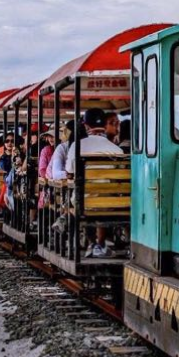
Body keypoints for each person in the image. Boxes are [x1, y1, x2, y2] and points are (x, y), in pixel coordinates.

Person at [67, 108, 123, 257]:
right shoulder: (117, 150)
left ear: (86, 126)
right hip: (110, 202)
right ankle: (99, 243)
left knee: (79, 203)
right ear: (105, 125)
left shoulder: (76, 146)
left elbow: (69, 173)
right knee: (101, 202)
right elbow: (119, 179)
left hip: (83, 200)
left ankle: (92, 243)